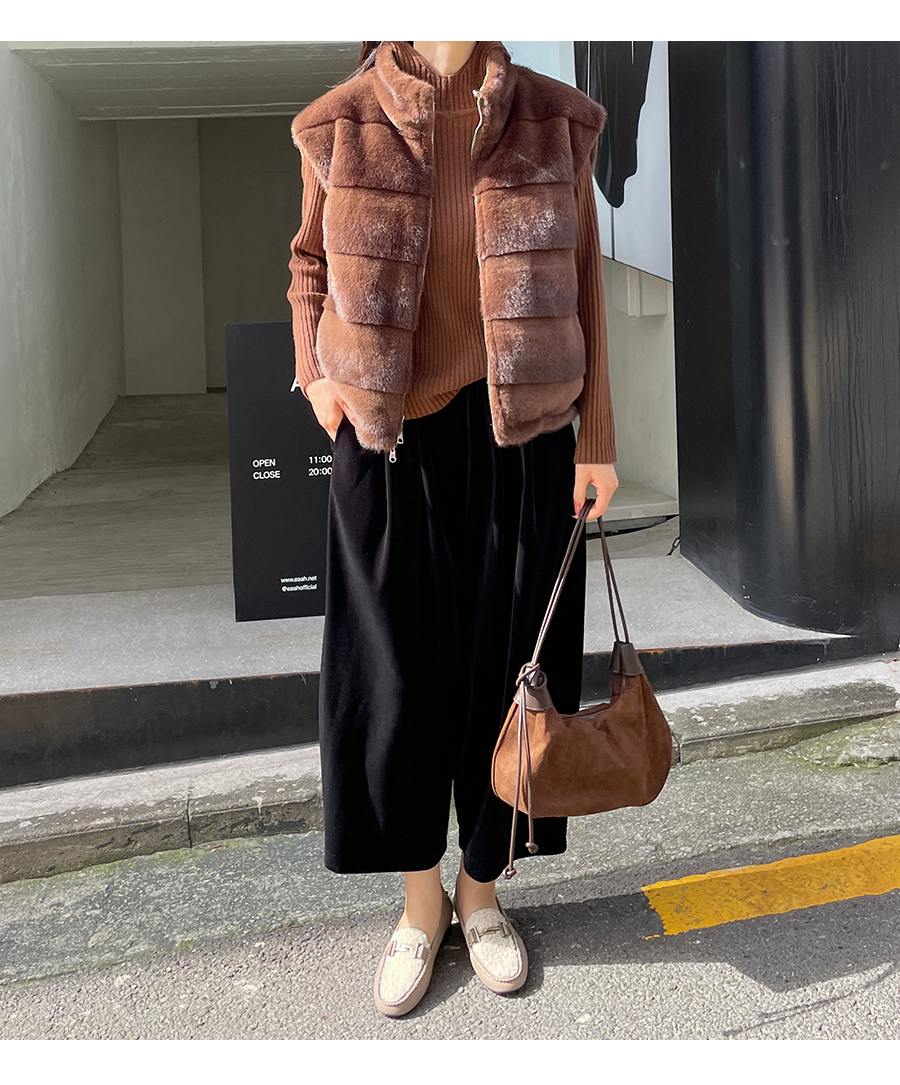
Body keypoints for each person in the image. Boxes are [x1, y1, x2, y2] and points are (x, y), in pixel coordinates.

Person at [287, 39, 618, 1017]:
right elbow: (308, 261)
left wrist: (597, 440)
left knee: (511, 676)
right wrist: (316, 376)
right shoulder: (343, 120)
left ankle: (481, 891)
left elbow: (584, 275)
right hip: (389, 440)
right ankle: (418, 903)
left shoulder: (555, 119)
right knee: (391, 679)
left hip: (523, 441)